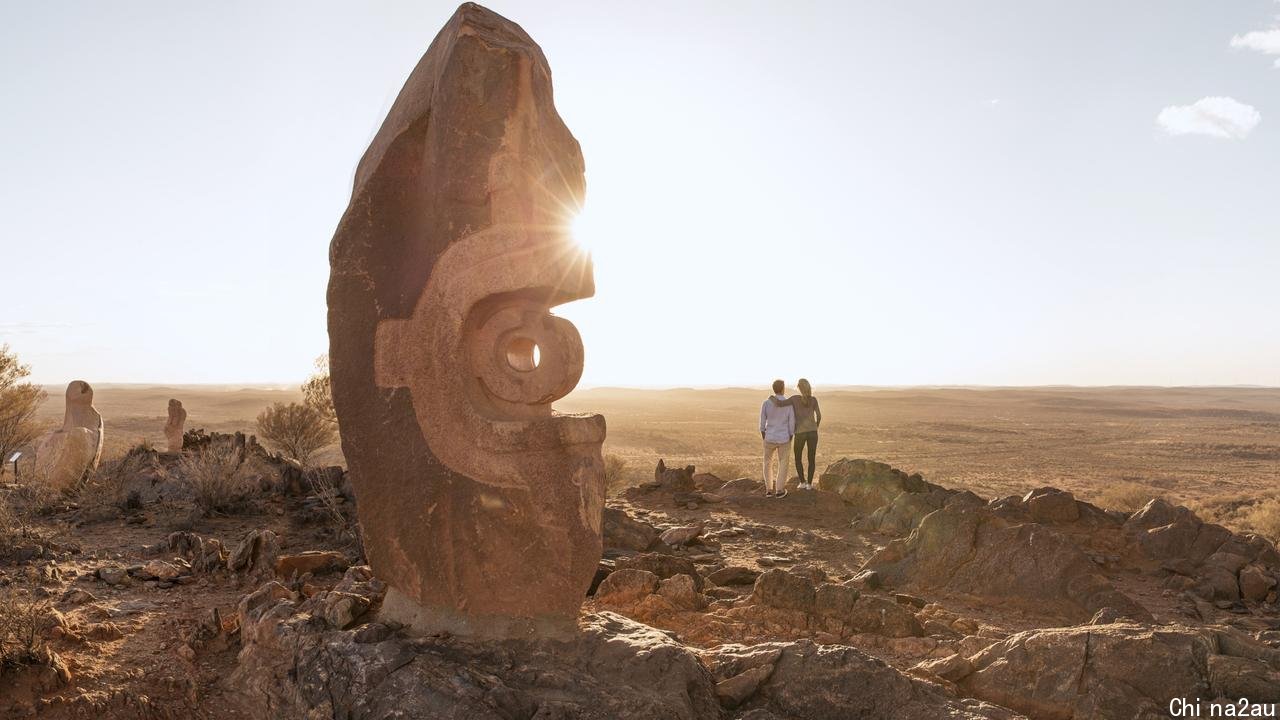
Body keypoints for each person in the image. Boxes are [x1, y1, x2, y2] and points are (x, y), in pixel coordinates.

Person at [771, 378, 822, 489]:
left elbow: (780, 404)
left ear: (799, 388)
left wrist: (771, 397)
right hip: (813, 433)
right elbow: (819, 416)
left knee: (798, 457)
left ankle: (802, 482)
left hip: (800, 433)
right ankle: (809, 484)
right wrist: (815, 427)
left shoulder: (794, 399)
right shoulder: (814, 400)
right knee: (811, 458)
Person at [759, 379, 795, 498]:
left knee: (767, 463)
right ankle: (779, 490)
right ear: (783, 388)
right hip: (784, 437)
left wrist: (765, 435)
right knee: (783, 463)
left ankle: (769, 489)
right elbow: (791, 423)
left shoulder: (766, 403)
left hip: (769, 437)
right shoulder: (789, 404)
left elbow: (762, 423)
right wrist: (790, 435)